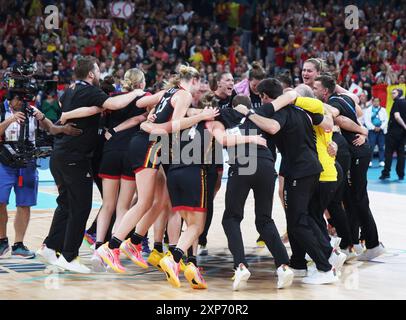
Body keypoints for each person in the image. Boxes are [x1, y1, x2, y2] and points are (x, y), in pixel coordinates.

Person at [96, 65, 217, 274]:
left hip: (147, 143)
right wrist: (197, 118)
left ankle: (133, 242)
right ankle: (113, 247)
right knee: (144, 201)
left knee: (161, 200)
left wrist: (150, 118)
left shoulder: (170, 92)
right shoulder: (184, 94)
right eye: (201, 82)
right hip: (149, 145)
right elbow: (177, 125)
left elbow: (144, 103)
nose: (202, 88)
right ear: (194, 80)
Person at [36, 56, 146, 273]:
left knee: (66, 203)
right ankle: (69, 256)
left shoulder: (68, 91)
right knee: (81, 206)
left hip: (59, 154)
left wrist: (84, 112)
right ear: (91, 74)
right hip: (75, 157)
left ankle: (50, 246)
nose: (100, 73)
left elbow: (63, 109)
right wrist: (135, 92)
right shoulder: (88, 90)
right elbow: (114, 103)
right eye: (98, 69)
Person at [237, 78, 340, 285]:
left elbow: (273, 128)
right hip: (311, 170)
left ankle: (325, 268)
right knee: (305, 218)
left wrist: (248, 112)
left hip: (300, 172)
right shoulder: (301, 111)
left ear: (265, 97)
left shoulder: (281, 112)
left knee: (297, 223)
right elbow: (328, 123)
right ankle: (323, 257)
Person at [313, 74, 385, 261]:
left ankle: (373, 244)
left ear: (325, 91)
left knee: (358, 199)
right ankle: (354, 243)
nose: (313, 90)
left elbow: (341, 120)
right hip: (358, 151)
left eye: (316, 88)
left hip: (357, 151)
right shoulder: (346, 97)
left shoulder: (333, 104)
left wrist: (362, 130)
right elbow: (357, 111)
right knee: (352, 199)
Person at [0, 93, 81, 258]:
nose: (22, 102)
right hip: (4, 162)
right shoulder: (2, 110)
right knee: (0, 202)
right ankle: (2, 242)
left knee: (25, 204)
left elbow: (51, 128)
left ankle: (18, 245)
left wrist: (45, 118)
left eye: (24, 99)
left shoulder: (31, 110)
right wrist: (10, 120)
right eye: (19, 99)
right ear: (10, 99)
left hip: (28, 163)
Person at [380, 89, 406, 180]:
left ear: (399, 93)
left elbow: (397, 117)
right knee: (401, 154)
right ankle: (401, 174)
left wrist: (404, 126)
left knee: (388, 153)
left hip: (393, 133)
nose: (392, 95)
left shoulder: (397, 102)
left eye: (394, 93)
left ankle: (386, 173)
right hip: (402, 134)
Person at [364, 97, 388, 167]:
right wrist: (373, 127)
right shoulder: (368, 110)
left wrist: (381, 127)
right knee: (371, 146)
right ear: (372, 102)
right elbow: (366, 121)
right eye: (375, 101)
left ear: (379, 102)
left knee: (381, 146)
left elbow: (386, 120)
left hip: (381, 131)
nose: (376, 103)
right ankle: (369, 161)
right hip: (372, 131)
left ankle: (381, 161)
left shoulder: (383, 110)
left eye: (377, 101)